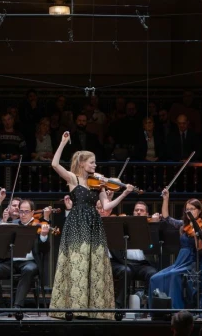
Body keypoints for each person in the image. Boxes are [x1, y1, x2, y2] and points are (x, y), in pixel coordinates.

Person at [50, 131, 135, 318]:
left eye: (95, 163)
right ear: (82, 163)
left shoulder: (99, 184)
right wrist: (63, 142)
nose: (95, 166)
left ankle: (93, 310)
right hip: (77, 223)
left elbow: (106, 207)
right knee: (77, 265)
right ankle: (76, 309)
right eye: (92, 162)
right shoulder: (73, 179)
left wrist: (124, 193)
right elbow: (55, 164)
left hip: (94, 224)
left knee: (94, 266)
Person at [148, 189, 202, 309]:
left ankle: (175, 310)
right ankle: (157, 311)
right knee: (154, 278)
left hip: (193, 263)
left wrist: (196, 232)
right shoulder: (183, 225)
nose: (189, 211)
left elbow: (199, 248)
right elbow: (166, 218)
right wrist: (166, 198)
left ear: (199, 211)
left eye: (192, 209)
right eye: (187, 209)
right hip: (180, 262)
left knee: (173, 275)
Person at [0, 198, 50, 310]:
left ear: (32, 212)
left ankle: (17, 306)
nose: (23, 214)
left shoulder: (38, 226)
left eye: (26, 211)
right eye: (21, 211)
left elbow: (45, 250)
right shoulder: (13, 225)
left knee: (28, 270)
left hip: (29, 262)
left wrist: (44, 236)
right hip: (12, 262)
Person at [109, 201, 160, 308]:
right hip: (125, 262)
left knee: (152, 273)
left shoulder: (149, 228)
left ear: (147, 214)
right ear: (133, 212)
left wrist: (154, 225)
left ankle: (147, 304)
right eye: (136, 210)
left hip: (142, 265)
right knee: (125, 271)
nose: (138, 212)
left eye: (142, 210)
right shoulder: (124, 226)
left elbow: (155, 247)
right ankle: (119, 306)